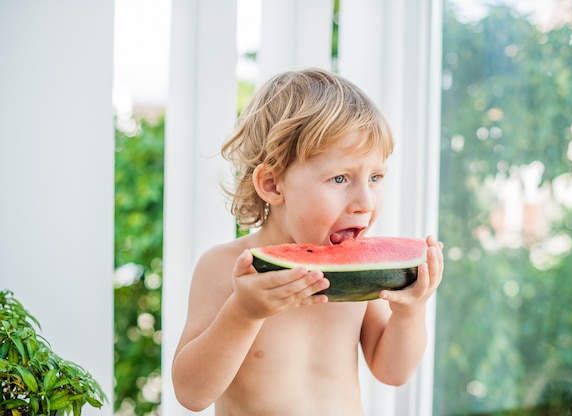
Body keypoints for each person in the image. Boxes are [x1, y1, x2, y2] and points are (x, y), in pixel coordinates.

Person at [172, 68, 444, 415]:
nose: (366, 202)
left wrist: (410, 311)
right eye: (340, 178)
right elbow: (191, 394)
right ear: (272, 184)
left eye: (375, 177)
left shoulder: (363, 274)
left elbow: (393, 372)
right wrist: (242, 313)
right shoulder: (224, 267)